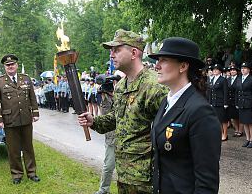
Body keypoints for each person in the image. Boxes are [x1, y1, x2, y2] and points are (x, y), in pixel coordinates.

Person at [78, 29, 167, 193]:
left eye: (117, 50)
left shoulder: (154, 86)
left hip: (147, 176)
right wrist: (94, 121)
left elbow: (170, 131)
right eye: (112, 50)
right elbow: (118, 117)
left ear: (134, 52)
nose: (112, 55)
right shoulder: (120, 86)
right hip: (124, 171)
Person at [148, 37, 221, 194]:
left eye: (164, 60)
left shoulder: (200, 111)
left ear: (183, 66)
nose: (157, 66)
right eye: (157, 60)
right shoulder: (166, 102)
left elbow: (207, 181)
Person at [0, 54, 40, 184]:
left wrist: (35, 113)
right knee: (13, 149)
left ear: (17, 65)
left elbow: (32, 97)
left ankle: (32, 172)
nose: (10, 66)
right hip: (9, 120)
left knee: (28, 147)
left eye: (12, 64)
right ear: (4, 67)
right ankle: (17, 175)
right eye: (8, 65)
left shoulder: (26, 78)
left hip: (25, 118)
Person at [235, 62, 252, 148]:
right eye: (242, 68)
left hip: (249, 103)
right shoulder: (239, 78)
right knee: (244, 122)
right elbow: (237, 92)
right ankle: (248, 139)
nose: (243, 69)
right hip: (241, 103)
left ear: (249, 70)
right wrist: (236, 102)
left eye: (245, 68)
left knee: (251, 123)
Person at [209, 64, 229, 141]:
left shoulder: (223, 79)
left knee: (223, 119)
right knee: (217, 120)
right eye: (214, 69)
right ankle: (220, 133)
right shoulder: (212, 79)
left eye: (216, 69)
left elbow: (225, 92)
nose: (214, 71)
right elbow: (210, 92)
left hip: (221, 102)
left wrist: (225, 103)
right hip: (214, 102)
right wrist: (210, 102)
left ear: (220, 71)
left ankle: (225, 134)